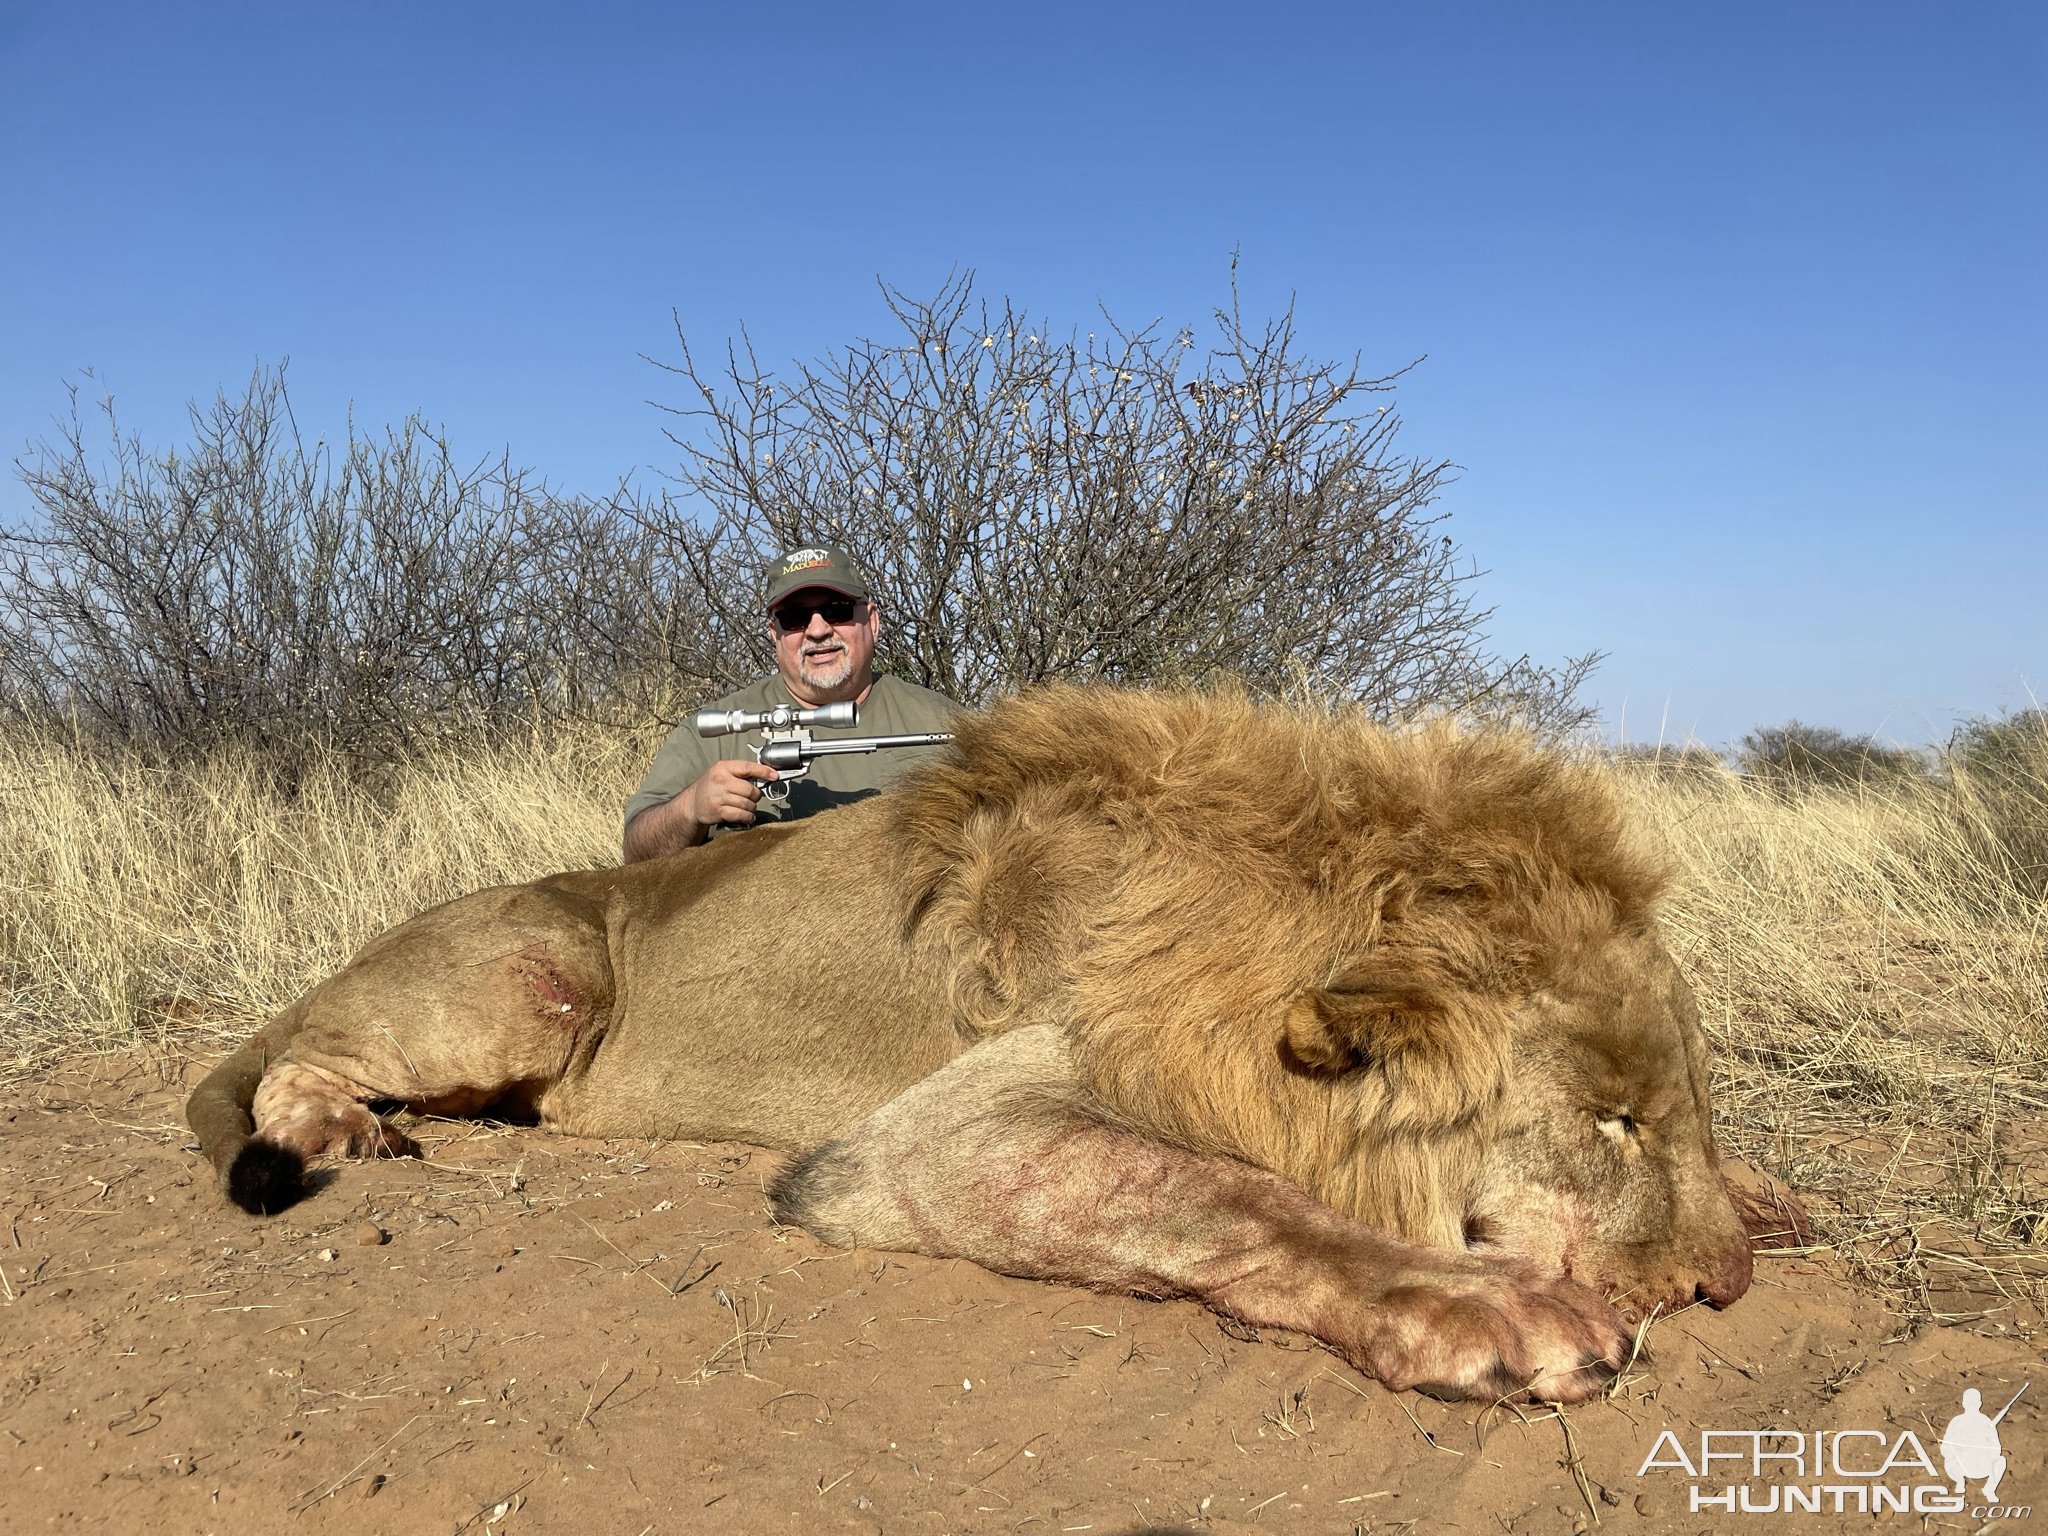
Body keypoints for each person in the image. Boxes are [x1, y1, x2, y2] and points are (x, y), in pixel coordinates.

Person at [622, 544, 960, 862]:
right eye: (795, 617)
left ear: (871, 621)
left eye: (836, 610)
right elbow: (637, 853)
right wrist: (690, 809)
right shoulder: (713, 733)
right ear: (774, 633)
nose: (817, 630)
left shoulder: (947, 724)